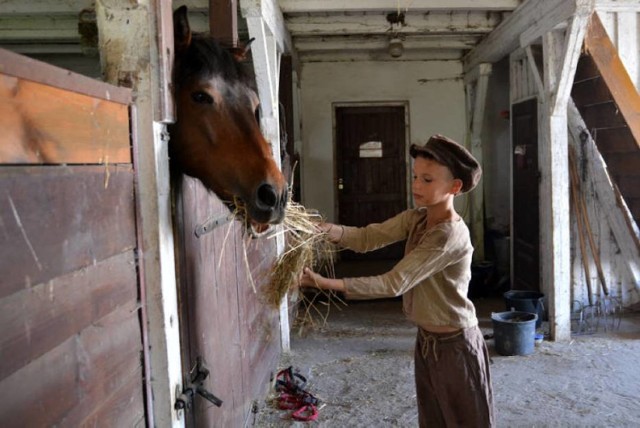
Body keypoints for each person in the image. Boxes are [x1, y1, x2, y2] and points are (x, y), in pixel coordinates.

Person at [299, 134, 494, 427]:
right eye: (415, 176)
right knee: (433, 420)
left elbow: (394, 283)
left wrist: (324, 284)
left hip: (456, 345)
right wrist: (322, 229)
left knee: (468, 421)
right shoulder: (417, 218)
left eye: (428, 180)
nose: (416, 185)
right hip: (427, 341)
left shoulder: (447, 235)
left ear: (455, 187)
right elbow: (367, 238)